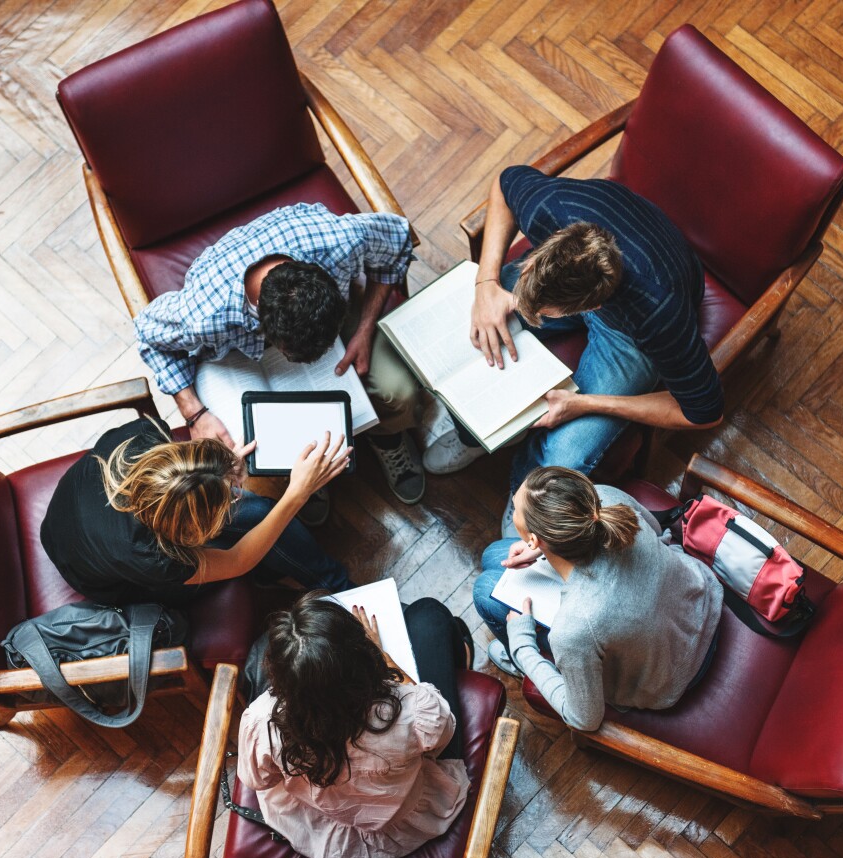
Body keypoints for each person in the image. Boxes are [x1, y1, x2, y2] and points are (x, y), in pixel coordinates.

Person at [424, 166, 724, 532]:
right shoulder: (549, 207)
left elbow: (704, 412)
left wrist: (586, 403)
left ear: (588, 310)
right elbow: (504, 184)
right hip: (603, 270)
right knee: (471, 336)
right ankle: (475, 437)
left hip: (629, 333)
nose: (525, 310)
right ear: (535, 257)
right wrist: (487, 282)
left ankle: (523, 494)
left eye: (541, 314)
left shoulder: (659, 315)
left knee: (564, 454)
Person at [134, 202, 426, 508]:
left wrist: (364, 329)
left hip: (326, 314)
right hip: (232, 356)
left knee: (399, 392)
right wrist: (194, 413)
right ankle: (299, 480)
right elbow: (147, 333)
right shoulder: (203, 314)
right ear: (261, 326)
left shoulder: (340, 241)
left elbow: (398, 239)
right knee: (253, 453)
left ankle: (388, 437)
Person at [473, 466, 723, 730]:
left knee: (485, 593)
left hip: (670, 678)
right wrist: (544, 549)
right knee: (493, 556)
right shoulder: (604, 500)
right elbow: (655, 530)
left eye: (515, 508)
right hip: (700, 597)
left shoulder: (574, 629)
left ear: (534, 538)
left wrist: (522, 646)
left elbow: (585, 719)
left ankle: (522, 661)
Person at [237, 593, 472, 858]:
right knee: (428, 613)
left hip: (321, 828)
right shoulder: (410, 710)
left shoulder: (261, 721)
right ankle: (463, 650)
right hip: (406, 822)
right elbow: (442, 736)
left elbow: (258, 781)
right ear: (363, 660)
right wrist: (387, 660)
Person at [41, 417, 352, 607]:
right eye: (227, 499)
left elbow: (184, 473)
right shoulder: (153, 557)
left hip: (67, 521)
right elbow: (238, 560)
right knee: (257, 520)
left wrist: (219, 469)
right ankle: (337, 589)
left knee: (257, 511)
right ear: (189, 532)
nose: (235, 490)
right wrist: (296, 494)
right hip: (106, 579)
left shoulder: (142, 436)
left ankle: (326, 582)